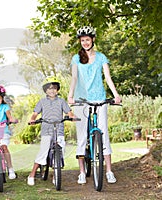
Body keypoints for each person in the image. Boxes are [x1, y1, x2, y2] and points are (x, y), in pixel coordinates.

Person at [67, 26, 122, 184]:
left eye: (87, 39)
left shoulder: (101, 57)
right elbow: (75, 79)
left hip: (99, 98)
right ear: (80, 41)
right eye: (82, 40)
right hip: (81, 99)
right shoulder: (76, 59)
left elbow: (108, 78)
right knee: (82, 136)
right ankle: (82, 172)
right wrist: (70, 96)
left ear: (93, 40)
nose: (85, 42)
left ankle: (109, 171)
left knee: (103, 133)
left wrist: (116, 95)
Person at [27, 76, 75, 186]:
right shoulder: (42, 101)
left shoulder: (62, 101)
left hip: (59, 129)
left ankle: (55, 174)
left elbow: (69, 112)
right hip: (46, 129)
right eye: (49, 89)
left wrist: (72, 117)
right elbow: (35, 113)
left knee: (61, 150)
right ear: (46, 91)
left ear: (57, 90)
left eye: (54, 88)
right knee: (43, 151)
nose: (52, 90)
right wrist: (32, 120)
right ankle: (32, 174)